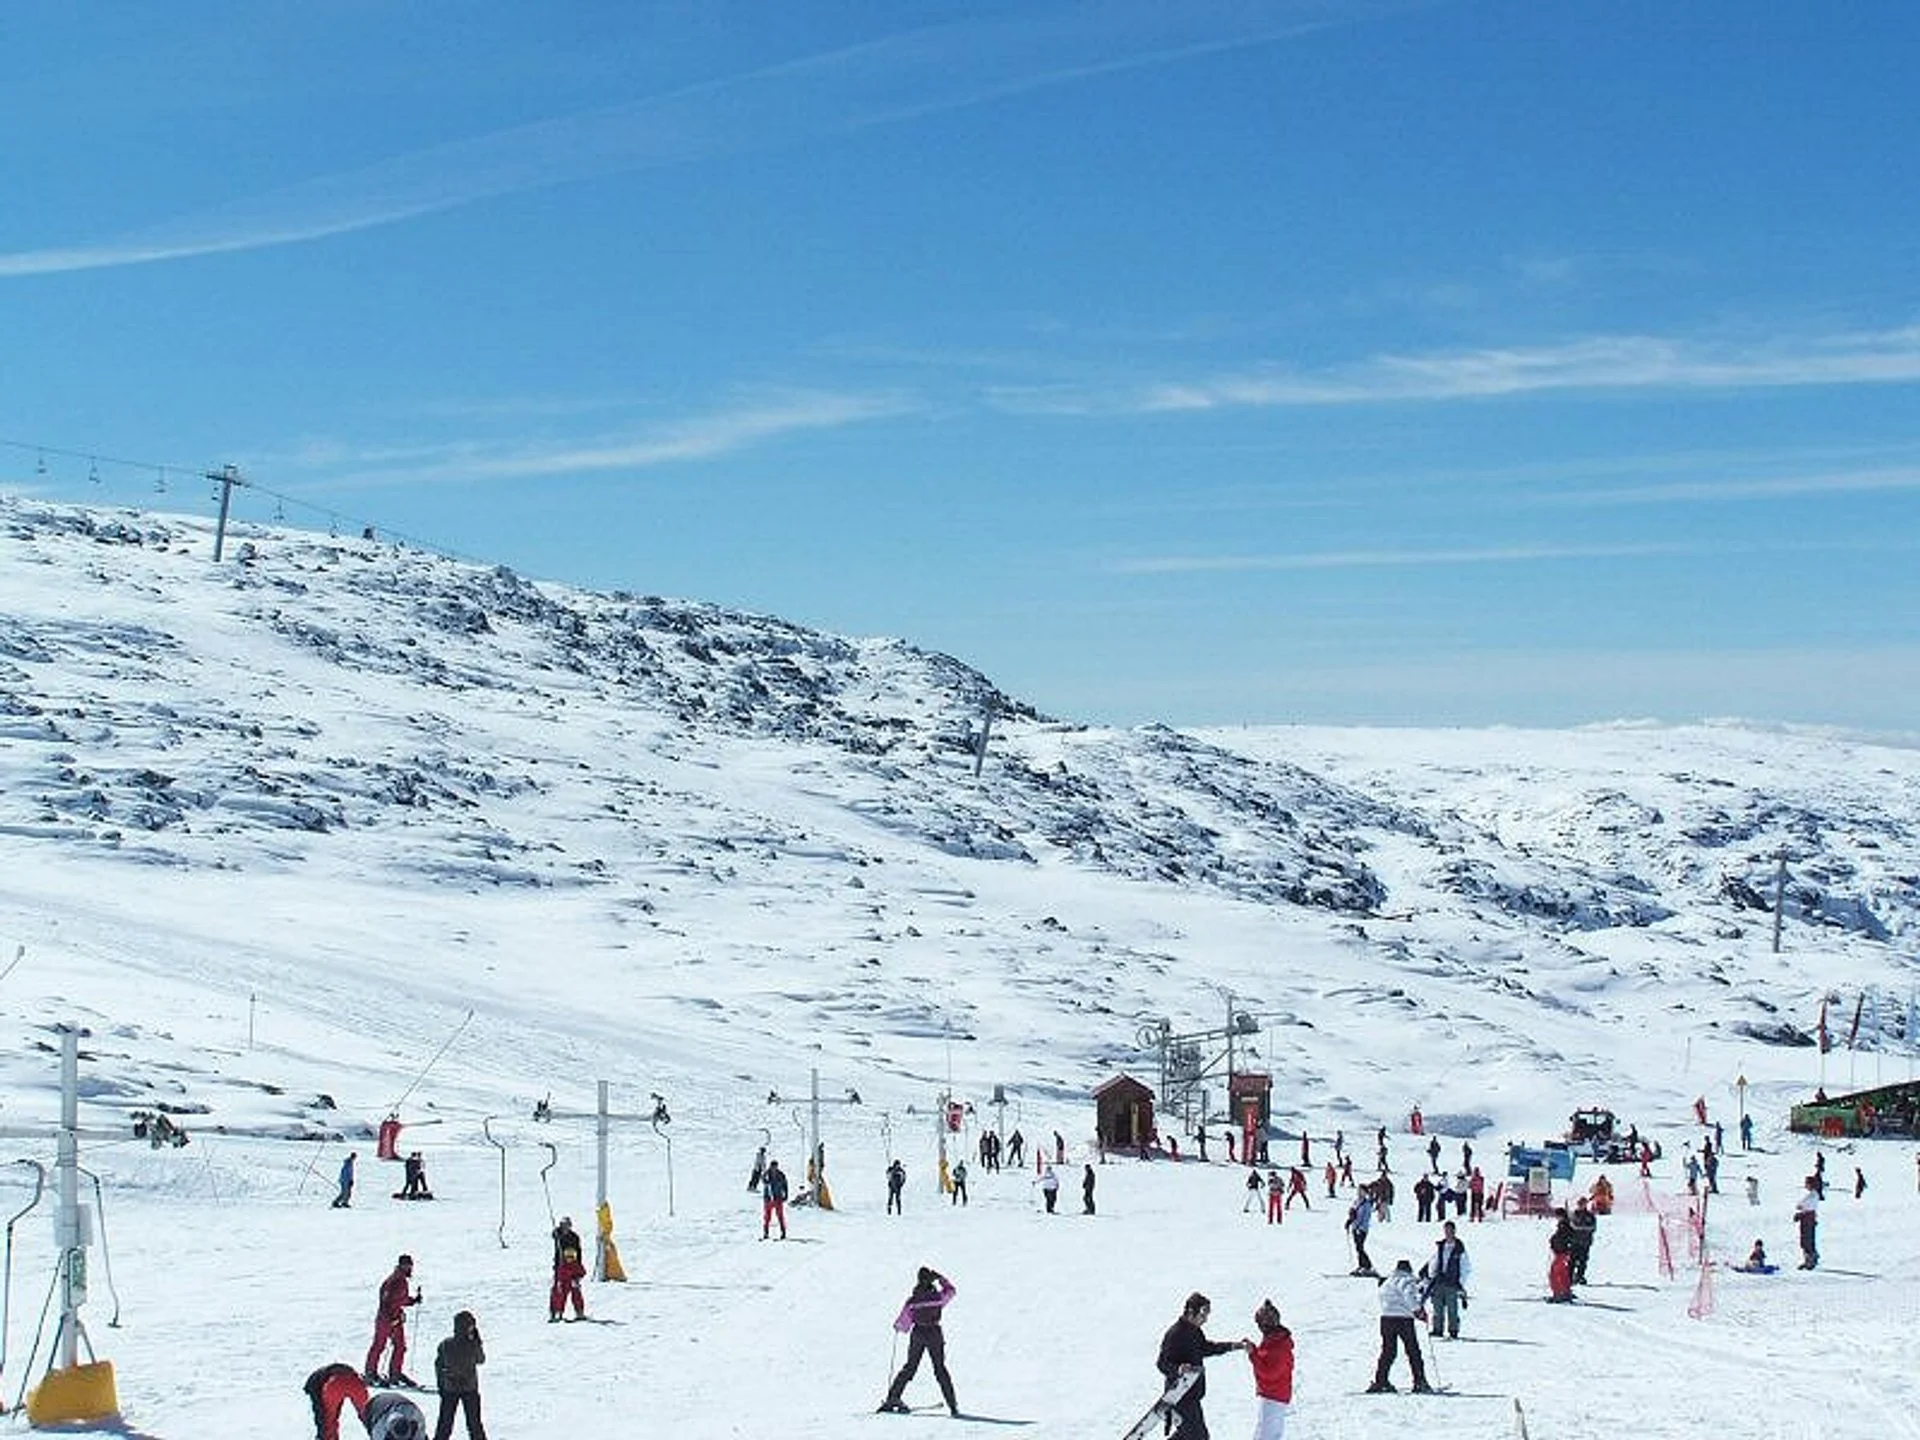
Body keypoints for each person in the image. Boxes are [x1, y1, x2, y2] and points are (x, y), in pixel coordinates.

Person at [1156, 1292, 1240, 1440]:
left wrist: (1232, 1346)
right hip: (1179, 1396)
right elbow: (1162, 1363)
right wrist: (1178, 1369)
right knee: (1199, 1437)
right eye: (1203, 1314)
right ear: (1190, 1312)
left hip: (1191, 1396)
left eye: (1207, 1314)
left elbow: (1206, 1348)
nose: (1205, 1319)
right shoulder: (1174, 1334)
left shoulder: (1194, 1331)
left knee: (1188, 1435)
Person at [878, 1267, 959, 1416]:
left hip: (918, 1334)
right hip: (934, 1333)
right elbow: (951, 1291)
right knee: (940, 1369)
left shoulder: (913, 1300)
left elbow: (903, 1323)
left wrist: (899, 1326)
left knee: (910, 1367)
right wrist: (941, 1278)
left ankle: (893, 1397)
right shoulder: (937, 1298)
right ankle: (952, 1405)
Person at [1365, 1260, 1432, 1394]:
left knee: (1388, 1351)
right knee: (1413, 1351)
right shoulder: (1407, 1280)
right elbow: (1409, 1295)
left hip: (1386, 1319)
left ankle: (1381, 1381)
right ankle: (1419, 1382)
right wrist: (1418, 1311)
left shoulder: (1387, 1282)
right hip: (1403, 1319)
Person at [364, 1254, 421, 1386]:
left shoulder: (400, 1280)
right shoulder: (395, 1280)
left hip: (394, 1319)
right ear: (402, 1265)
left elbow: (399, 1299)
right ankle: (371, 1373)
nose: (410, 1268)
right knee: (380, 1345)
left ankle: (395, 1373)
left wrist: (413, 1301)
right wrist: (391, 1318)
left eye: (411, 1265)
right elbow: (387, 1301)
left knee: (400, 1346)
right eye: (407, 1265)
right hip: (387, 1319)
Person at [430, 1309, 487, 1440]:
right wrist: (477, 1341)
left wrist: (441, 1386)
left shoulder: (445, 1344)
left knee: (444, 1425)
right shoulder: (472, 1345)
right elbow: (481, 1359)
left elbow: (438, 1366)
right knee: (474, 1425)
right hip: (470, 1389)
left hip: (450, 1388)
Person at [1245, 1299, 1293, 1440]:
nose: (1259, 1327)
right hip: (1274, 1394)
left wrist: (1252, 1354)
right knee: (1265, 1434)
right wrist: (1254, 1349)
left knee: (1266, 1436)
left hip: (1274, 1396)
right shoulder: (1274, 1339)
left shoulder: (1278, 1344)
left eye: (1260, 1323)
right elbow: (1266, 1358)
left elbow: (1269, 1373)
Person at [1419, 1221, 1471, 1339]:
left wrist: (1461, 1283)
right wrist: (1431, 1277)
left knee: (1452, 1308)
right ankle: (1438, 1329)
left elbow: (1465, 1267)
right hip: (1439, 1281)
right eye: (1446, 1230)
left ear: (1454, 1231)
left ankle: (1453, 1330)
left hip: (1452, 1283)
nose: (1448, 1233)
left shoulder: (1459, 1249)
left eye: (1450, 1230)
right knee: (1438, 1307)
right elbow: (1434, 1262)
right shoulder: (1441, 1246)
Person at [305, 1362, 372, 1440]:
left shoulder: (314, 1387)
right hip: (356, 1381)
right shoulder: (320, 1376)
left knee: (329, 1418)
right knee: (368, 1414)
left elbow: (319, 1412)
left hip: (334, 1383)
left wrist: (321, 1434)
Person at [550, 1217, 586, 1321]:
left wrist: (579, 1267)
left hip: (573, 1267)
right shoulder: (558, 1235)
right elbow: (554, 1235)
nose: (565, 1227)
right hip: (561, 1267)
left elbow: (579, 1252)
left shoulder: (574, 1237)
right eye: (563, 1225)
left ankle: (579, 1312)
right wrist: (556, 1232)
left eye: (567, 1225)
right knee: (559, 1291)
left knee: (576, 1290)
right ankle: (557, 1313)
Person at [1567, 1196, 1597, 1285]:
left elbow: (1593, 1227)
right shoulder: (1574, 1214)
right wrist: (1582, 1228)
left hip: (1585, 1242)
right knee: (1572, 1261)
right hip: (1574, 1241)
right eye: (1580, 1204)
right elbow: (1571, 1226)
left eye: (1583, 1204)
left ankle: (1580, 1276)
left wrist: (1581, 1228)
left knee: (1583, 1261)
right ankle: (1570, 1277)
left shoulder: (1590, 1215)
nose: (1581, 1206)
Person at [1345, 1188, 1376, 1275]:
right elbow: (1353, 1213)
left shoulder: (1367, 1204)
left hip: (1362, 1229)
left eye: (1361, 1191)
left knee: (1360, 1248)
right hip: (1355, 1227)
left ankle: (1368, 1266)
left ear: (1365, 1192)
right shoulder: (1356, 1202)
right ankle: (1361, 1265)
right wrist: (1349, 1221)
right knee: (1358, 1248)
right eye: (1358, 1191)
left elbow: (1366, 1217)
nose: (1359, 1192)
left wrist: (1359, 1227)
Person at [1547, 1210, 1576, 1301]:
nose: (1556, 1218)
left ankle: (1558, 1293)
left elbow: (1565, 1238)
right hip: (1562, 1252)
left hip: (1562, 1252)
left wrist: (1557, 1242)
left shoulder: (1564, 1226)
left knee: (1554, 1273)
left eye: (1557, 1216)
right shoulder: (1563, 1225)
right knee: (1563, 1273)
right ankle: (1566, 1291)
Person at [1794, 1175, 1820, 1269]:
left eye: (1806, 1183)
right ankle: (1811, 1258)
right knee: (1808, 1239)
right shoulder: (1812, 1195)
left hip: (1807, 1219)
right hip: (1808, 1218)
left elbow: (1802, 1205)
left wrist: (1801, 1210)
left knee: (1806, 1240)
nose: (1805, 1185)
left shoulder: (1812, 1195)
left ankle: (1809, 1260)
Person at [762, 1158, 789, 1239]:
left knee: (780, 1216)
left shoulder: (781, 1175)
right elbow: (763, 1180)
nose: (774, 1169)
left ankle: (783, 1232)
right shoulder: (766, 1174)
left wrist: (785, 1195)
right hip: (768, 1198)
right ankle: (766, 1233)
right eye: (772, 1167)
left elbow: (785, 1185)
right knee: (767, 1217)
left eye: (775, 1167)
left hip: (778, 1198)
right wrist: (765, 1180)